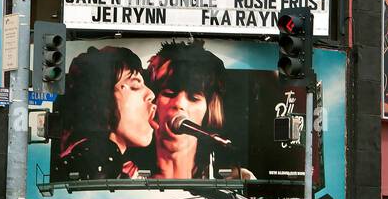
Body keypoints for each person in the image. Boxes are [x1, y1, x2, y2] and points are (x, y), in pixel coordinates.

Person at [145, 40, 251, 181]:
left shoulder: (237, 178)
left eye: (194, 98)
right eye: (169, 93)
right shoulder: (126, 175)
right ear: (153, 101)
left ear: (209, 110)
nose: (179, 104)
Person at [54, 46, 156, 181]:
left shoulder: (124, 168)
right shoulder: (85, 165)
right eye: (135, 86)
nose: (151, 95)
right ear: (101, 99)